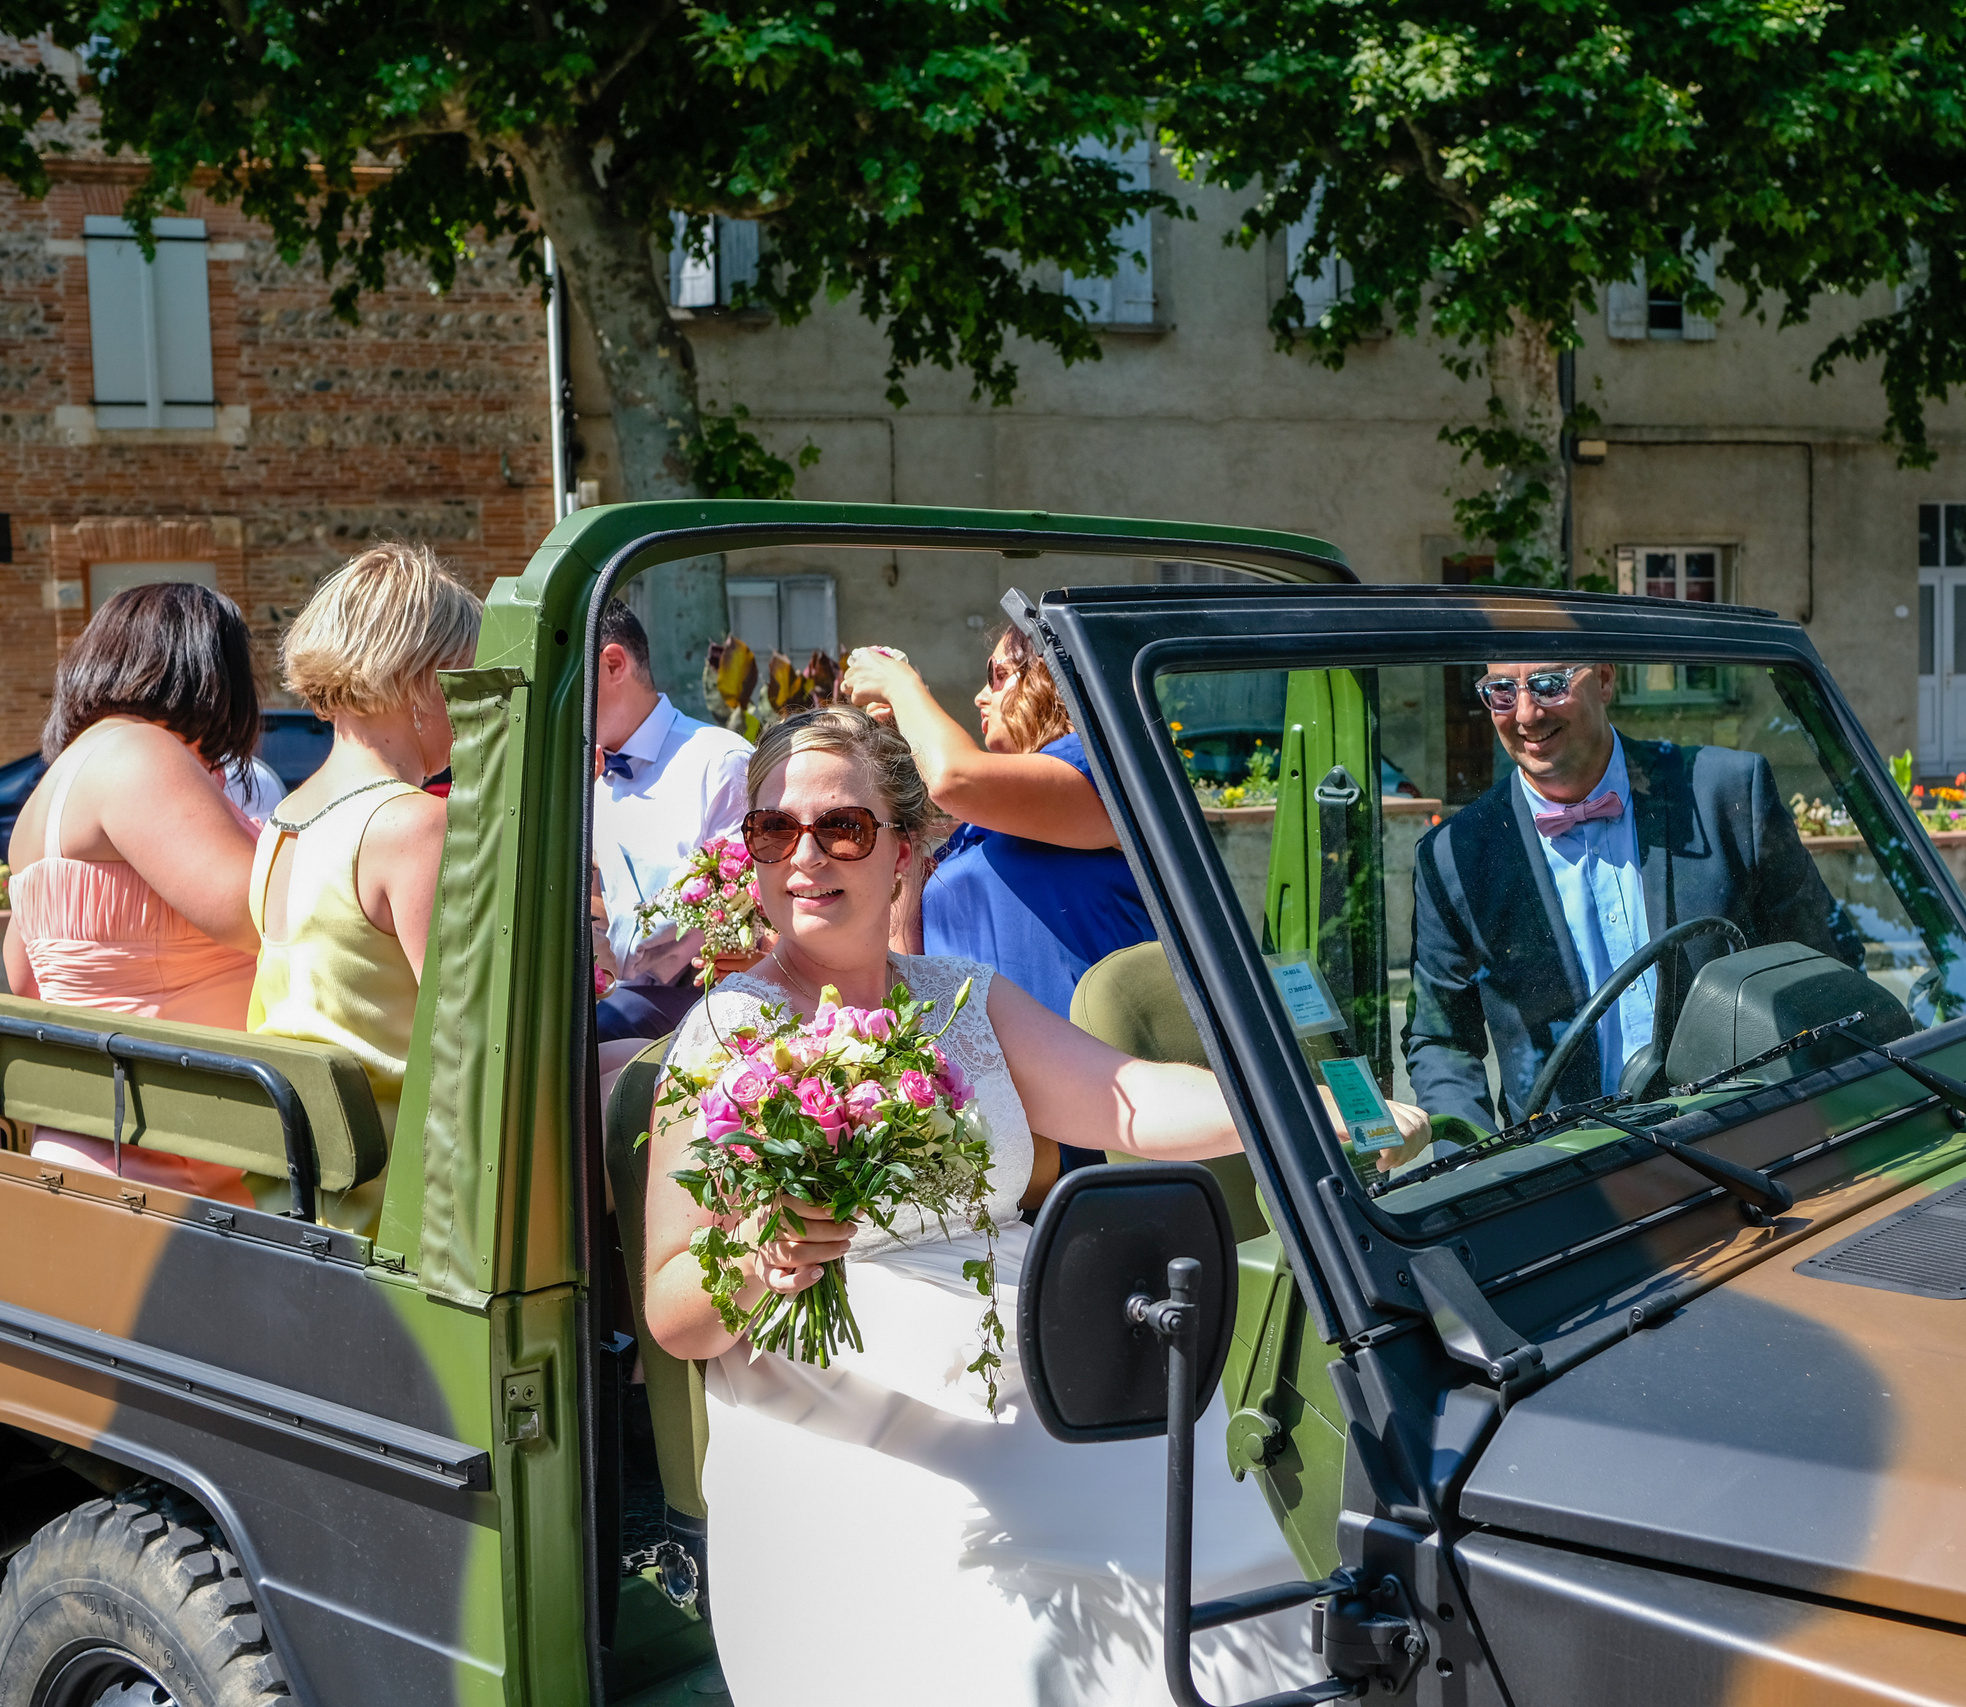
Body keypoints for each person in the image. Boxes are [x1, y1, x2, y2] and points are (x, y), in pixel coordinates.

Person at [642, 706, 1426, 1706]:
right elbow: (673, 1314)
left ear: (904, 851)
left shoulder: (963, 998)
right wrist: (765, 1253)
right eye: (773, 831)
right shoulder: (721, 1035)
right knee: (1013, 1644)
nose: (806, 856)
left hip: (1029, 1352)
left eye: (842, 827)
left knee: (1237, 1545)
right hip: (835, 1403)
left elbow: (1128, 1099)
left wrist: (1307, 1110)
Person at [1405, 659, 1850, 1131]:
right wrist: (1474, 1173)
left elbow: (1825, 966)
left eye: (1550, 685)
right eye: (1502, 691)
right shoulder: (1455, 854)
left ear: (1604, 679)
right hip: (1568, 1174)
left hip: (1743, 1137)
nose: (1527, 714)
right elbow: (1442, 1040)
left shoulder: (1728, 791)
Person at [3, 582, 268, 1202]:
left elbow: (24, 979)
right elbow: (253, 914)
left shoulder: (55, 785)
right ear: (207, 669)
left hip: (86, 1139)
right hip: (181, 1155)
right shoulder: (138, 753)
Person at [249, 543, 480, 1228]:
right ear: (421, 680)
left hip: (297, 1187)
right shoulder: (410, 823)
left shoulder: (286, 818)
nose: (469, 705)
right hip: (396, 1200)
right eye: (463, 680)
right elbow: (471, 1035)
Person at [842, 624, 1152, 1019]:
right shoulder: (984, 823)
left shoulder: (1099, 767)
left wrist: (901, 684)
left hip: (1078, 1061)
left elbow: (954, 779)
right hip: (975, 1065)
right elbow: (903, 938)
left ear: (1052, 680)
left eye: (998, 675)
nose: (981, 697)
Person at [591, 604, 754, 1041]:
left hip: (707, 1000)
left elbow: (744, 913)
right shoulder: (587, 774)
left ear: (613, 664)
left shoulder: (720, 762)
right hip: (614, 996)